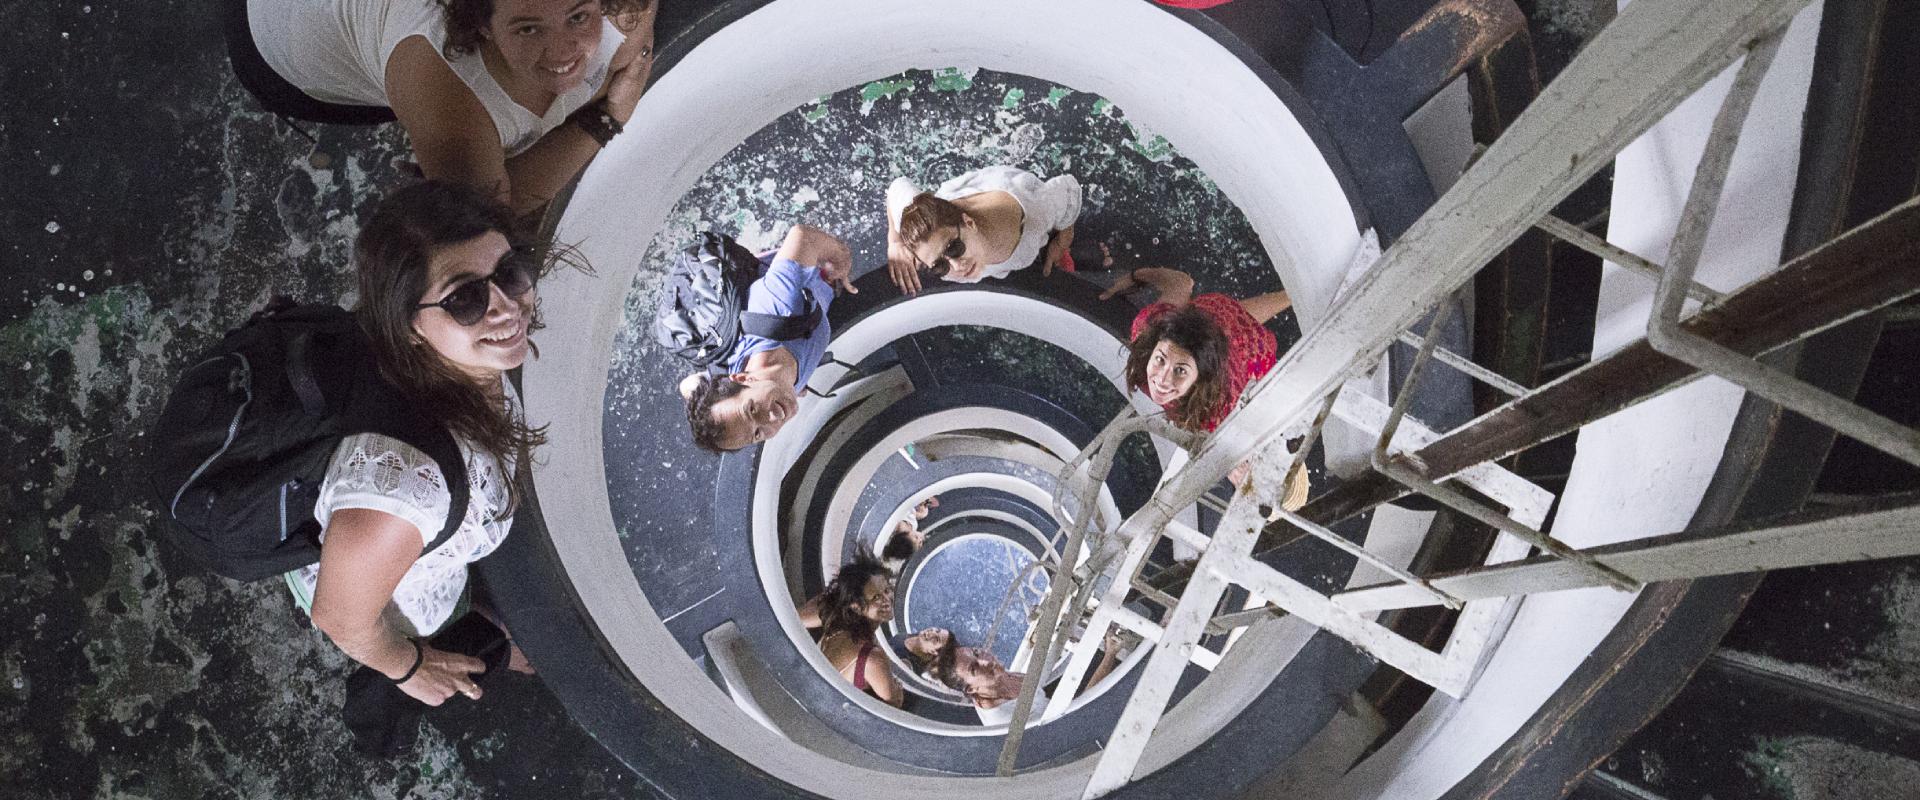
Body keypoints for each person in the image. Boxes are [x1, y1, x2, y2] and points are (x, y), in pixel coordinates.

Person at [285, 181, 553, 714]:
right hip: (393, 603)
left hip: (426, 558)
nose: (506, 307)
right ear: (411, 326)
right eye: (465, 299)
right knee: (440, 676)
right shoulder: (404, 486)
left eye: (509, 272)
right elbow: (341, 617)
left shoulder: (460, 363)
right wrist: (408, 668)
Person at [240, 0, 657, 216]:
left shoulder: (625, 10)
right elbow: (491, 213)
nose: (565, 51)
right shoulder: (447, 96)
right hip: (279, 35)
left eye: (578, 16)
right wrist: (606, 120)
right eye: (528, 28)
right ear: (480, 25)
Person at [679, 224, 857, 452]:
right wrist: (785, 384)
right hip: (815, 307)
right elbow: (686, 386)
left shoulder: (779, 305)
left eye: (752, 409)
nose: (772, 419)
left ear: (745, 378)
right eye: (757, 434)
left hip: (812, 274)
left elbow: (802, 236)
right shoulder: (766, 386)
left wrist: (841, 259)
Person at [1100, 267, 1292, 433]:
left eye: (1180, 370)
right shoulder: (1148, 329)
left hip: (1244, 355)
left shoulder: (1218, 406)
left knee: (1241, 326)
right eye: (1160, 359)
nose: (1163, 380)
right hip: (1216, 316)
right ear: (1153, 349)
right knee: (1233, 316)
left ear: (1200, 379)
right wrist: (1134, 276)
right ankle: (1290, 295)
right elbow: (1180, 283)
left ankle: (1292, 295)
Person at [884, 165, 1083, 295]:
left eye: (954, 247)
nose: (957, 267)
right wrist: (895, 241)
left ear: (969, 222)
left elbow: (1069, 189)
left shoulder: (1036, 211)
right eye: (939, 266)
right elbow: (897, 187)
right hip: (948, 212)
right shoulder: (924, 231)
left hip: (1008, 190)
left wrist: (1062, 241)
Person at [815, 549, 904, 707]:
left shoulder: (836, 628)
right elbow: (895, 702)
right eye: (876, 597)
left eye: (886, 590)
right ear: (856, 607)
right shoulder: (872, 658)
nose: (887, 600)